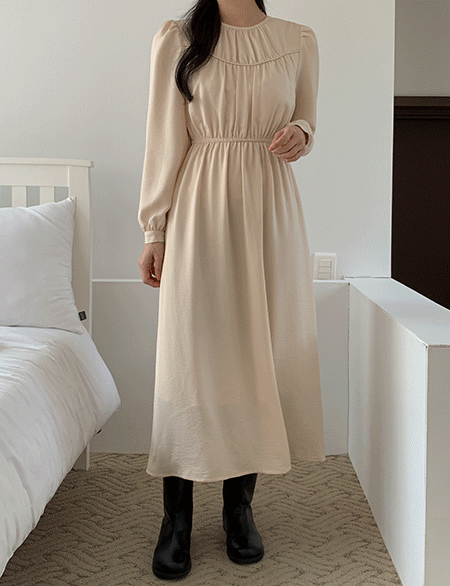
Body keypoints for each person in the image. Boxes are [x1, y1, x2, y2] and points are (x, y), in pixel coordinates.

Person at [137, 0, 325, 580]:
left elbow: (306, 120)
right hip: (199, 206)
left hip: (269, 209)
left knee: (255, 356)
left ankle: (239, 508)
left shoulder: (298, 39)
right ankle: (177, 518)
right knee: (190, 360)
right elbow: (163, 137)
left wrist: (301, 132)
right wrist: (155, 228)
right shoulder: (178, 38)